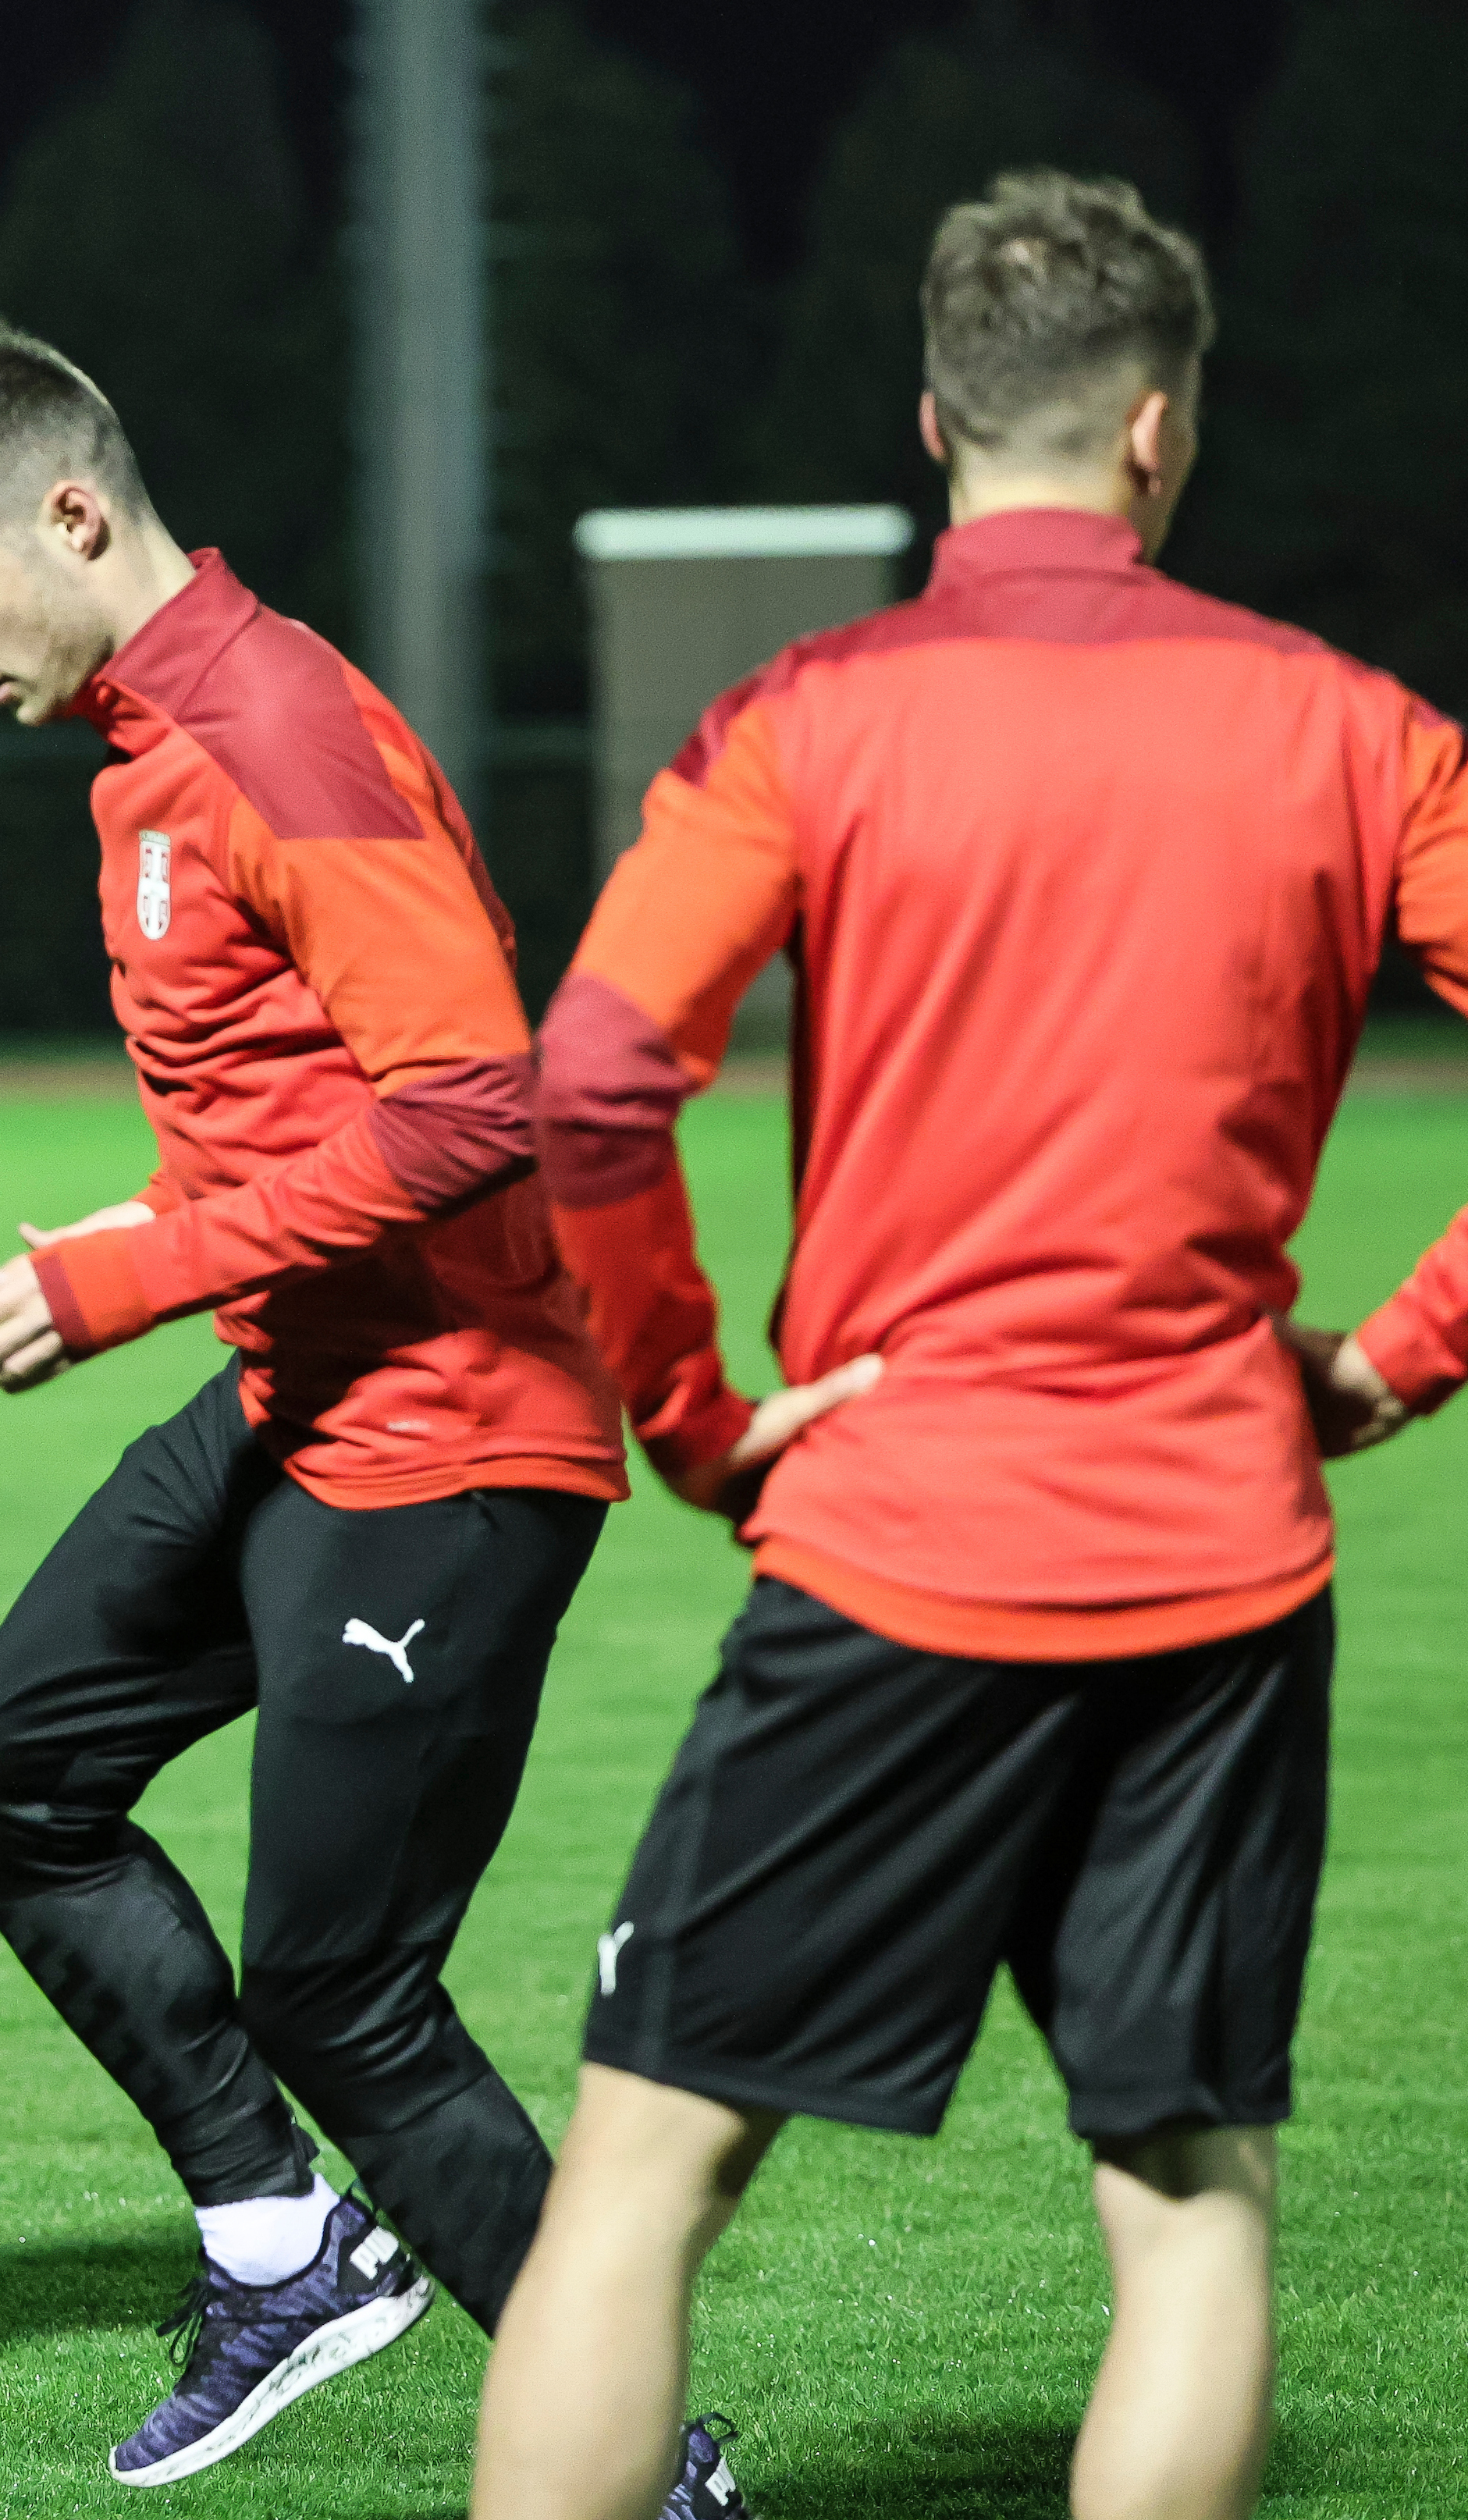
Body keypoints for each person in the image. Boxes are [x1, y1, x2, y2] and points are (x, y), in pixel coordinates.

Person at [471, 171, 1468, 2520]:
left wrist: (705, 1426)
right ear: (1161, 428)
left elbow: (596, 1082)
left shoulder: (808, 722)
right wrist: (1393, 1360)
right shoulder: (1355, 729)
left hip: (896, 1536)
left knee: (643, 2182)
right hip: (1224, 1551)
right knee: (1187, 2193)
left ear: (938, 420)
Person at [0, 318, 752, 2503]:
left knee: (345, 1993)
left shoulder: (275, 731)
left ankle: (660, 2478)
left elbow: (474, 1105)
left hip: (451, 1437)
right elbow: (287, 1112)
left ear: (72, 512)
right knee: (6, 1769)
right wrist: (157, 1223)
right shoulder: (154, 749)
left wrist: (128, 1271)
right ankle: (284, 2248)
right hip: (301, 1395)